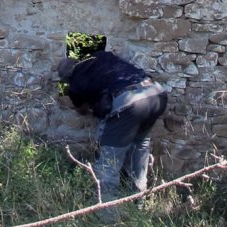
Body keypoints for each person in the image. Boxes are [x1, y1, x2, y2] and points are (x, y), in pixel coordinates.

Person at [57, 50, 167, 211]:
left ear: (67, 78)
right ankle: (139, 205)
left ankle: (108, 217)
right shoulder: (102, 56)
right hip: (156, 94)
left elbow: (82, 110)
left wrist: (97, 109)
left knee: (108, 164)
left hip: (131, 105)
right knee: (139, 149)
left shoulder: (75, 83)